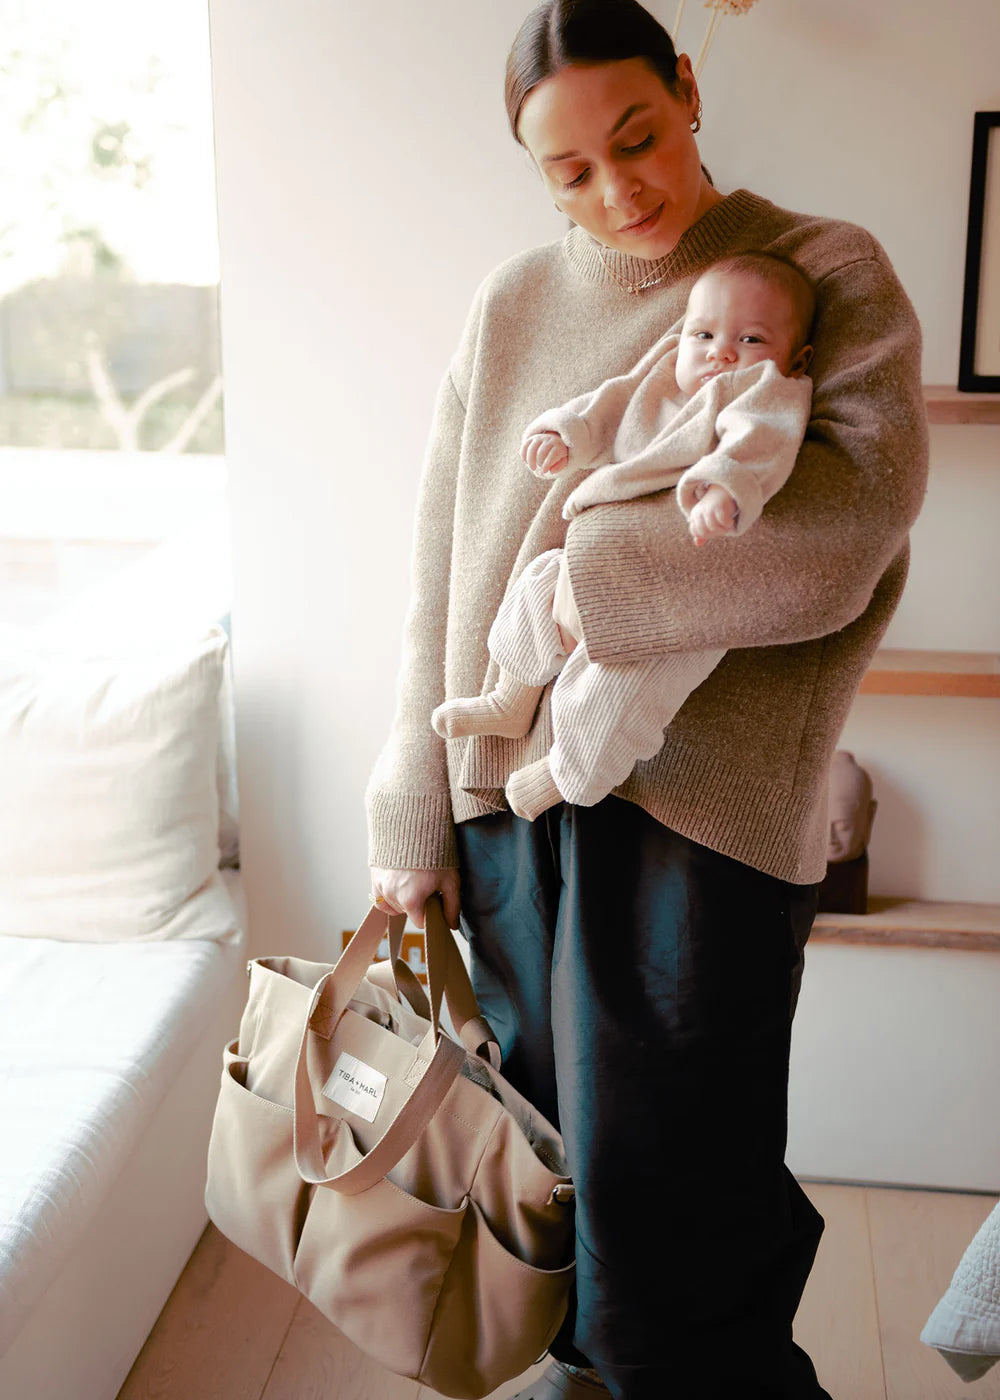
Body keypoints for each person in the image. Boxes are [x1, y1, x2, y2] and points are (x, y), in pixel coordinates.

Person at [365, 2, 928, 1396]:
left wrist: (585, 578)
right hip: (508, 803)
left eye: (637, 139)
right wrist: (410, 803)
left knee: (679, 1219)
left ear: (686, 88)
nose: (619, 191)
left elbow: (841, 534)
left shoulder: (820, 270)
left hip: (703, 809)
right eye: (570, 171)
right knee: (551, 1185)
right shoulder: (511, 304)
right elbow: (443, 565)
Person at [430, 250, 815, 822]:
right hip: (588, 563)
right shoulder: (662, 380)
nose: (721, 351)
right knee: (536, 584)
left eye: (751, 338)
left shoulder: (765, 391)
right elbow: (610, 405)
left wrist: (723, 489)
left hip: (677, 603)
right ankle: (511, 697)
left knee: (619, 693)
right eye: (703, 334)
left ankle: (567, 774)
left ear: (795, 358)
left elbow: (760, 442)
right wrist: (567, 434)